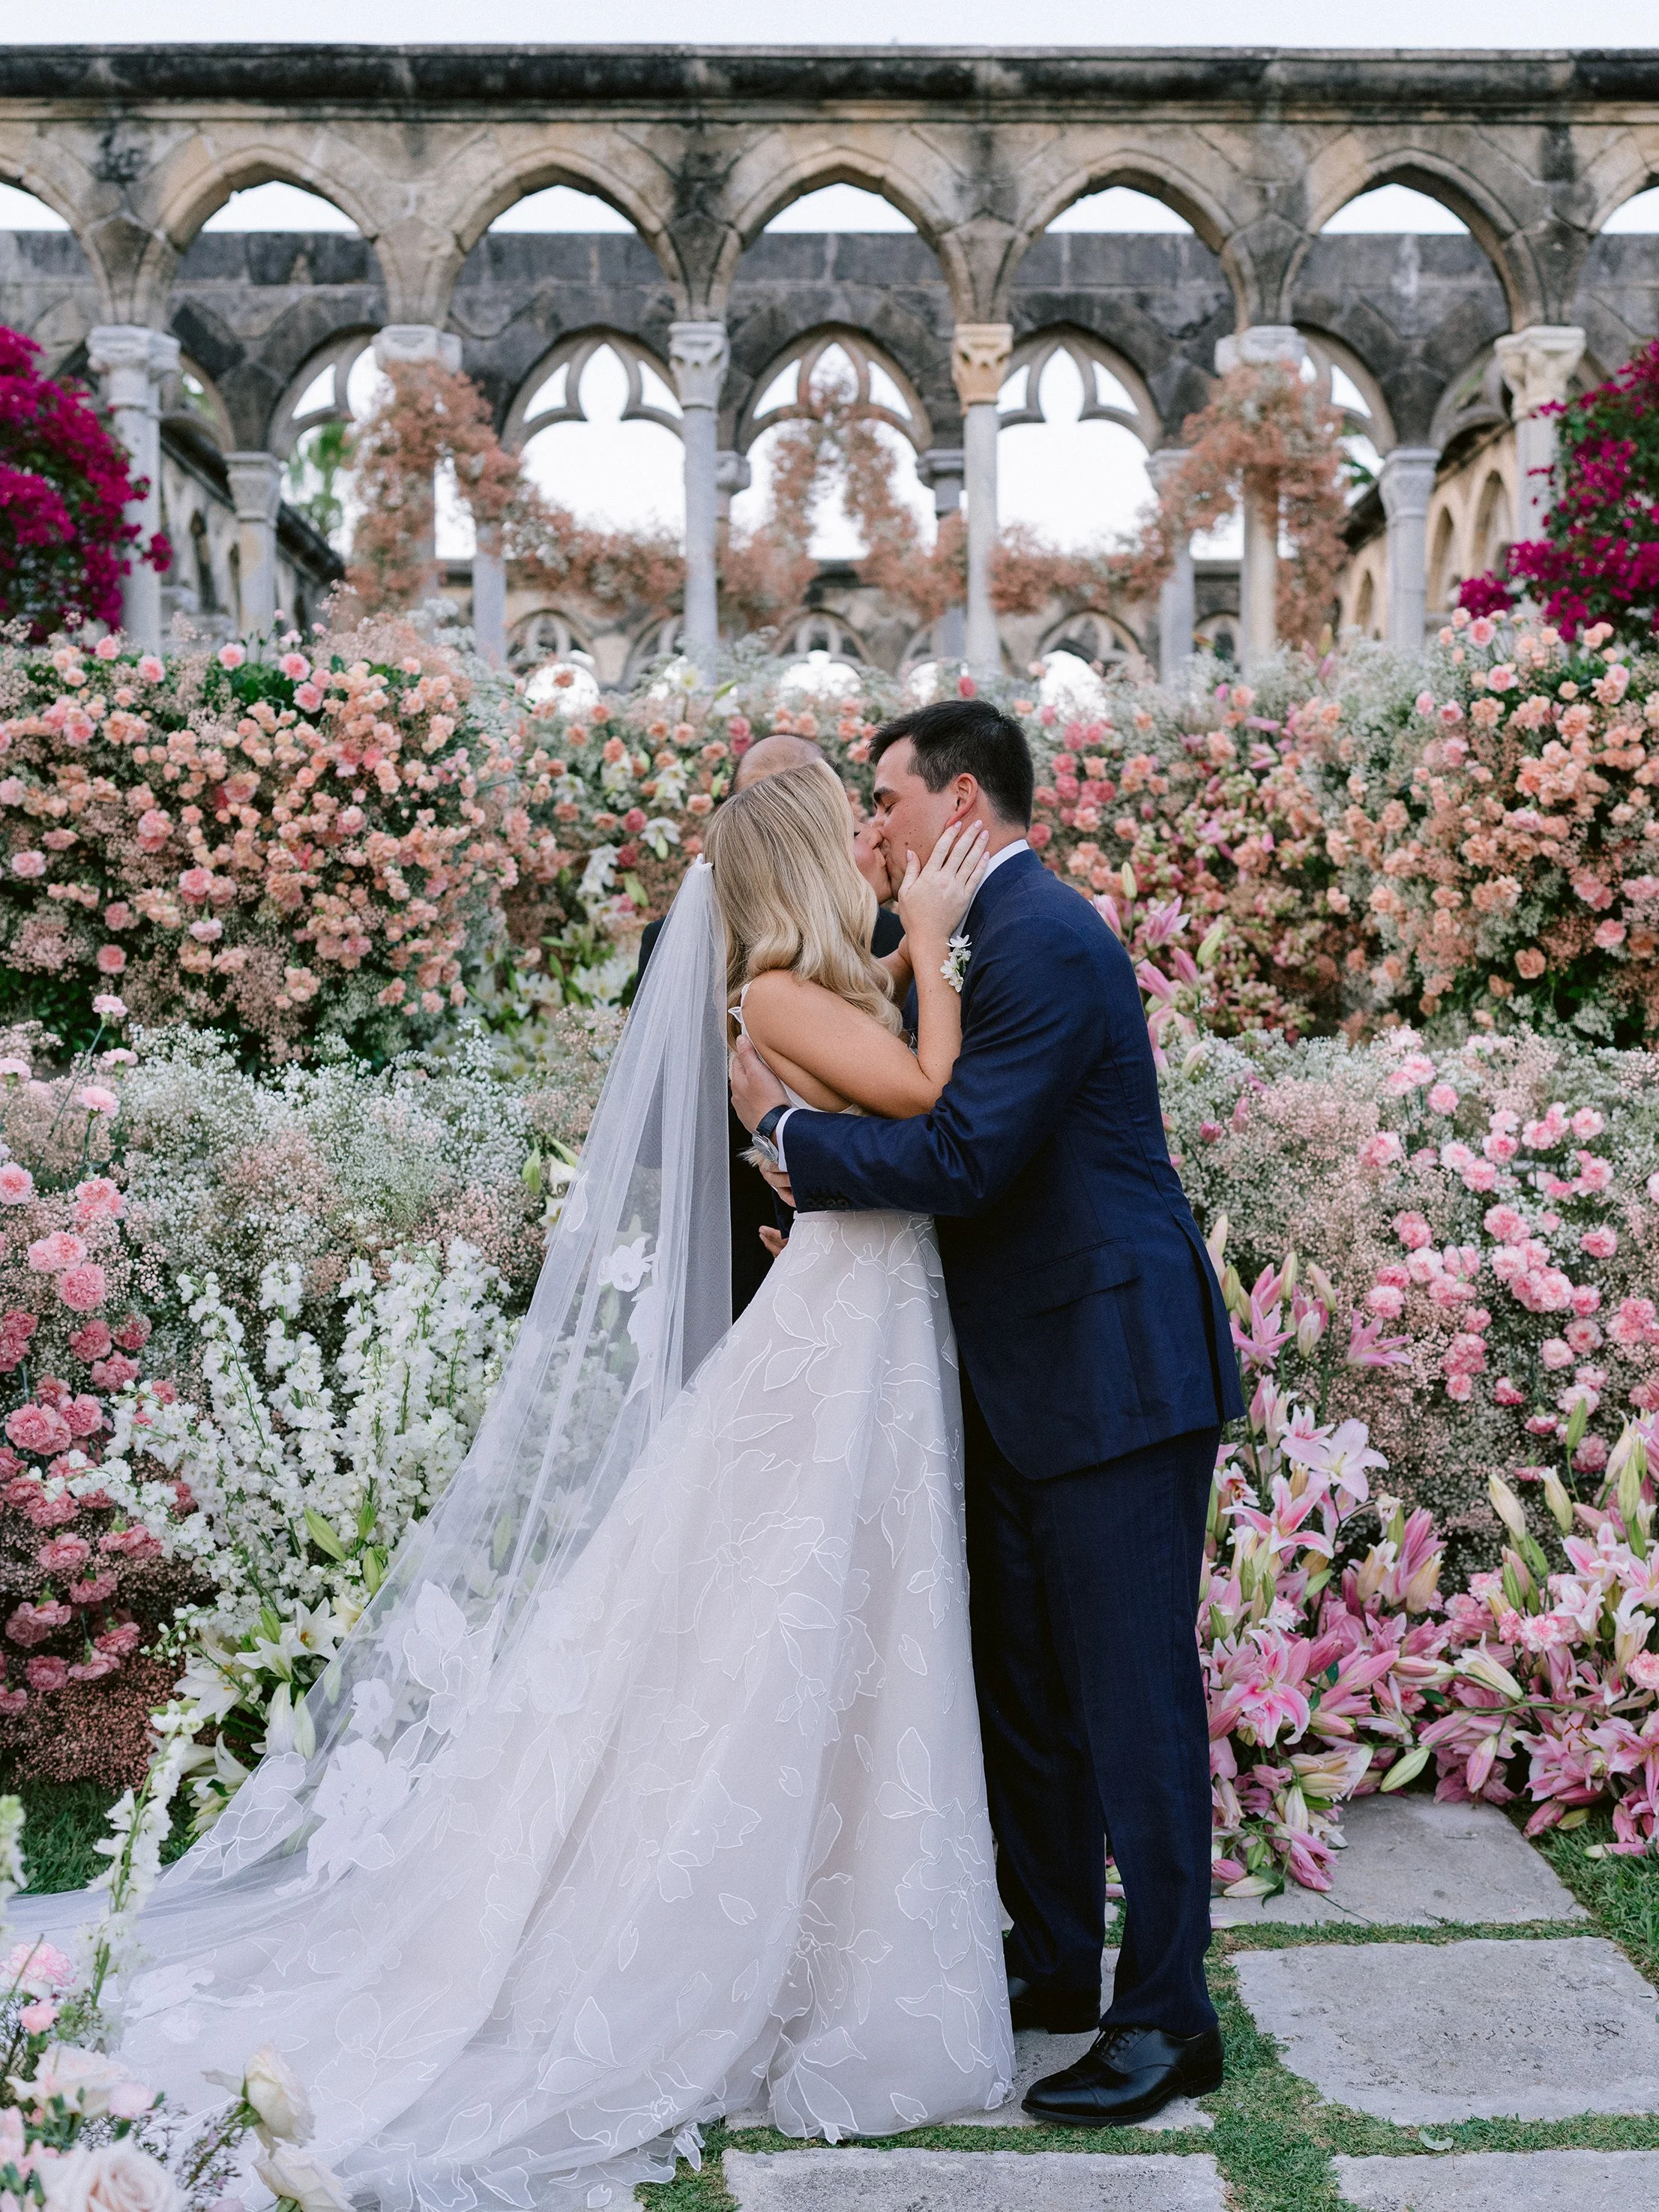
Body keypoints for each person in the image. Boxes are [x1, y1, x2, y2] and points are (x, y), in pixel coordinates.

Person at [106, 760, 1012, 2211]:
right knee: (776, 1623)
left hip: (862, 1321)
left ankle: (841, 1928)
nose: (864, 848)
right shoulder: (770, 996)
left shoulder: (814, 984)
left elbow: (888, 1099)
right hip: (836, 1333)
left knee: (855, 1624)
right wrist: (945, 942)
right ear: (793, 863)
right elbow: (923, 1091)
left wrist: (914, 939)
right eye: (841, 832)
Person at [731, 697, 1244, 2128]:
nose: (867, 827)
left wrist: (785, 1142)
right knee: (1026, 1693)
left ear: (956, 801)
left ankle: (1167, 2020)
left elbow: (961, 1153)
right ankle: (1054, 1963)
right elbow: (921, 1111)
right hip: (1022, 1375)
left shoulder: (1040, 938)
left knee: (1129, 1698)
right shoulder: (960, 939)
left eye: (883, 799)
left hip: (1113, 1373)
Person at [635, 733, 903, 1314]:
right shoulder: (675, 944)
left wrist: (794, 1140)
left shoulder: (886, 934)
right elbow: (657, 1136)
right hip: (730, 1244)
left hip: (865, 1237)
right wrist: (773, 1142)